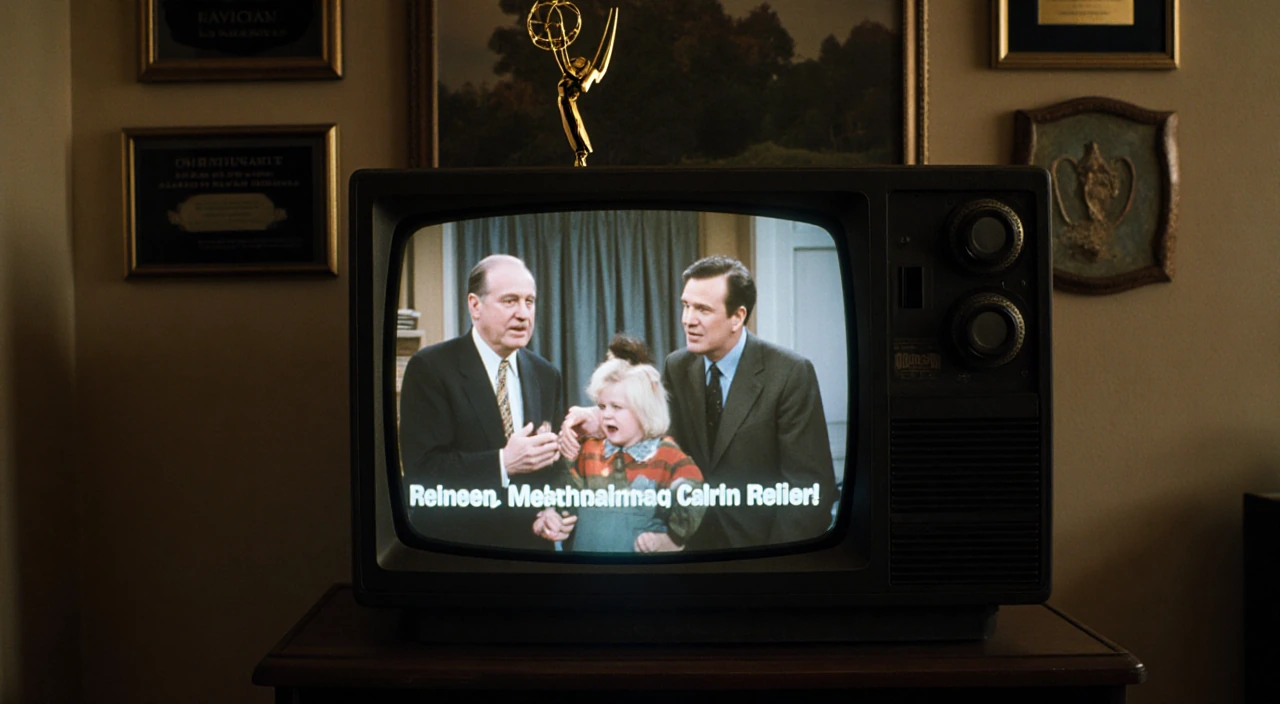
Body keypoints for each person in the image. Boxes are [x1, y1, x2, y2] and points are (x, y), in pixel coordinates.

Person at [561, 255, 836, 551]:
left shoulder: (790, 373)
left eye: (702, 309)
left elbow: (810, 491)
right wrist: (598, 421)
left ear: (737, 317)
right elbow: (657, 439)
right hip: (687, 549)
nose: (688, 319)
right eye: (686, 305)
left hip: (758, 552)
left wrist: (771, 564)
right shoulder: (677, 365)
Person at [399, 254, 564, 551]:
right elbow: (423, 471)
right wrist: (503, 463)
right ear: (475, 305)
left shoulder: (546, 374)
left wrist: (550, 509)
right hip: (459, 553)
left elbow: (552, 470)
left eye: (530, 301)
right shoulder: (431, 368)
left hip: (532, 555)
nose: (523, 314)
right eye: (510, 301)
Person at [533, 350, 705, 553]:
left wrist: (672, 539)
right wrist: (553, 514)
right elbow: (565, 493)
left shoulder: (665, 454)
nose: (605, 415)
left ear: (644, 410)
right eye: (602, 406)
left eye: (616, 407)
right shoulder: (590, 450)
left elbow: (695, 495)